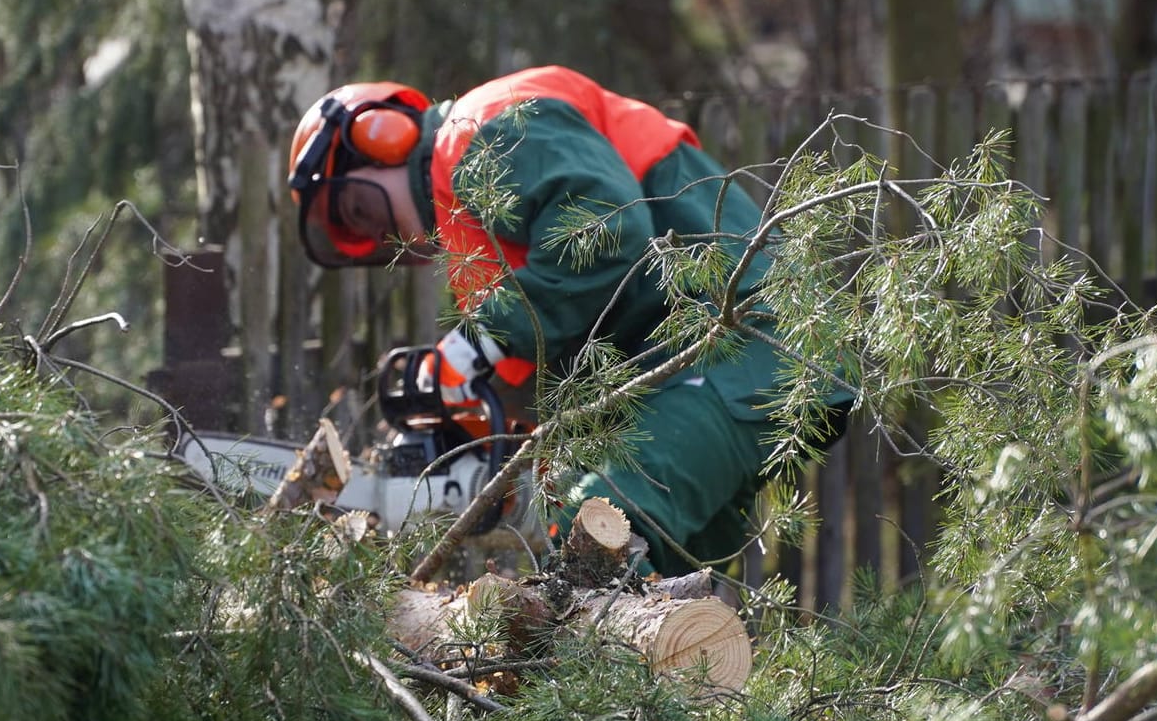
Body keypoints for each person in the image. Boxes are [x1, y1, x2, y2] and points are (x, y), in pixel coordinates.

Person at [287, 64, 849, 576]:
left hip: (745, 342)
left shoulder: (485, 129)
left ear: (382, 132)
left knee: (599, 529)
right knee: (682, 608)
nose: (391, 240)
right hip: (687, 378)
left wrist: (469, 346)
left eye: (361, 210)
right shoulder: (476, 247)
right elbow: (556, 366)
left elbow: (606, 232)